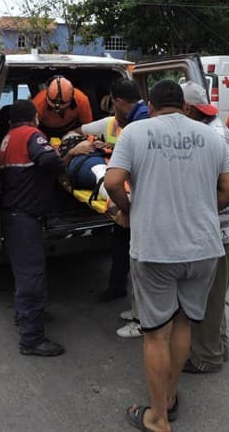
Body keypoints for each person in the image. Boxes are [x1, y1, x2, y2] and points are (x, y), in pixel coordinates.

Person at [104, 80, 229, 432]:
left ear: (151, 106)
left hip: (156, 248)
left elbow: (113, 181)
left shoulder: (135, 132)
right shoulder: (212, 135)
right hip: (204, 248)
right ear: (183, 106)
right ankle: (170, 396)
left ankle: (158, 417)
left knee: (155, 333)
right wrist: (204, 212)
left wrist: (129, 211)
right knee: (183, 324)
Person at [0, 99, 91, 357]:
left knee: (24, 273)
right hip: (24, 217)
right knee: (32, 277)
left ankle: (25, 315)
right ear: (33, 118)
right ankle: (32, 339)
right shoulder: (31, 135)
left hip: (15, 215)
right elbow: (51, 162)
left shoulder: (9, 137)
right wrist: (72, 153)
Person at [180, 81, 229, 375]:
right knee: (215, 295)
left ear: (187, 109)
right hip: (225, 228)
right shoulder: (210, 129)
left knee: (207, 297)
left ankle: (206, 357)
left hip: (220, 230)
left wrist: (199, 217)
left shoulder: (211, 137)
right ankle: (218, 346)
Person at [80, 78, 149, 305]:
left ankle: (141, 312)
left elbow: (112, 183)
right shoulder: (141, 117)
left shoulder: (136, 125)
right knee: (122, 243)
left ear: (118, 101)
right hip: (137, 192)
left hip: (136, 194)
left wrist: (125, 207)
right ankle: (118, 287)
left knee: (138, 254)